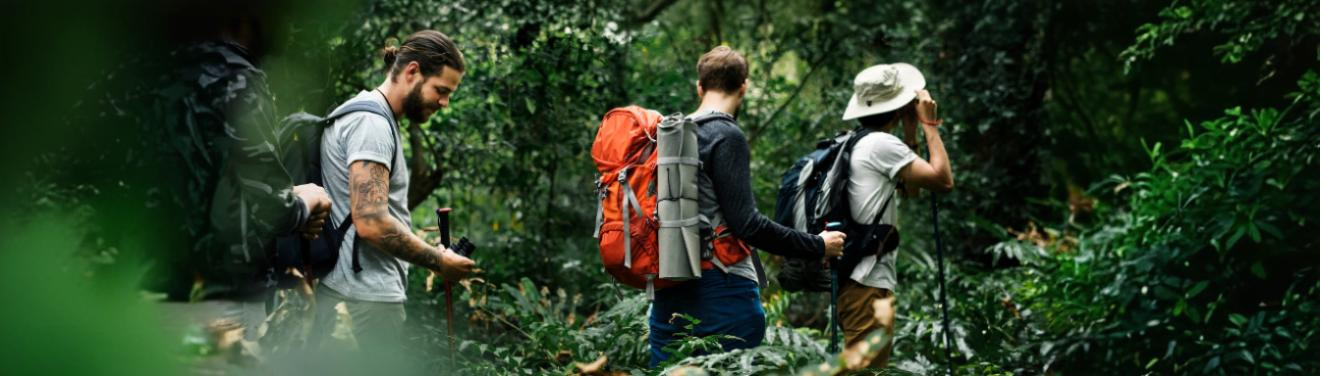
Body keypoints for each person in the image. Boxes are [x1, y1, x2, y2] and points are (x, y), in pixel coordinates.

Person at [648, 46, 847, 367]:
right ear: (744, 86)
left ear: (699, 87)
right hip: (722, 287)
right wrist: (817, 245)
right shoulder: (726, 135)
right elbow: (748, 224)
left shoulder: (670, 132)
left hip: (667, 284)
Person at [312, 30, 476, 352]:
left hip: (355, 292)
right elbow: (371, 222)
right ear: (412, 72)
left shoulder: (371, 116)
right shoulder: (371, 125)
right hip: (365, 298)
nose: (445, 102)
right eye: (441, 90)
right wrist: (439, 262)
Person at [836, 63, 954, 369]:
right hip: (867, 285)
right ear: (898, 106)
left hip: (862, 283)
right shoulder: (880, 144)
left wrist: (911, 132)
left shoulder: (860, 141)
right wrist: (930, 124)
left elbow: (911, 191)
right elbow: (943, 180)